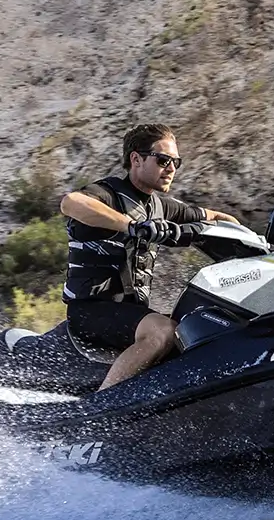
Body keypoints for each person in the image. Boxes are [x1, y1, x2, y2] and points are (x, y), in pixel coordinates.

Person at [59, 123, 240, 390]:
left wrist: (257, 242)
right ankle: (98, 409)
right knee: (162, 331)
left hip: (130, 313)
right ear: (136, 159)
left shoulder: (160, 206)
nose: (171, 169)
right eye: (164, 160)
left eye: (176, 162)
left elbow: (217, 216)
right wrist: (131, 226)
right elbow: (70, 203)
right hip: (90, 311)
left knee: (200, 327)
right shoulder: (108, 194)